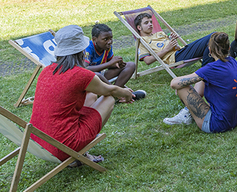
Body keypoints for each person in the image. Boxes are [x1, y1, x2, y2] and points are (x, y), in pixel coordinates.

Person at [30, 25, 134, 163]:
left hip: (38, 140)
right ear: (81, 50)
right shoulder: (80, 74)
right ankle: (81, 152)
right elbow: (110, 91)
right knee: (108, 99)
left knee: (91, 94)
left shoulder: (47, 71)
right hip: (63, 146)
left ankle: (80, 149)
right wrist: (126, 94)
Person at [164, 32, 237, 132]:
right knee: (201, 78)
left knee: (182, 87)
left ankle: (186, 115)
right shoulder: (232, 61)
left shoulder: (211, 68)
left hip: (217, 124)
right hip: (234, 119)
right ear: (228, 48)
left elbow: (174, 83)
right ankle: (188, 113)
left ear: (210, 50)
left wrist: (183, 84)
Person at [134, 12, 214, 67]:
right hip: (175, 58)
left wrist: (173, 40)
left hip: (180, 52)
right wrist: (166, 49)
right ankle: (207, 71)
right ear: (139, 27)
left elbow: (177, 47)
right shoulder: (141, 42)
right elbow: (147, 61)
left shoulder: (160, 33)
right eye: (146, 23)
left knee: (211, 43)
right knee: (212, 37)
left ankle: (208, 69)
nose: (150, 24)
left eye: (151, 22)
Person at [84, 24, 140, 95]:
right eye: (105, 39)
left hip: (101, 75)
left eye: (111, 38)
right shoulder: (88, 48)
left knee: (130, 65)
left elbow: (109, 65)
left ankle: (115, 92)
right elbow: (85, 69)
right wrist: (110, 63)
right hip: (89, 79)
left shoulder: (107, 47)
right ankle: (117, 93)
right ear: (95, 39)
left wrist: (117, 64)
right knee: (96, 75)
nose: (109, 41)